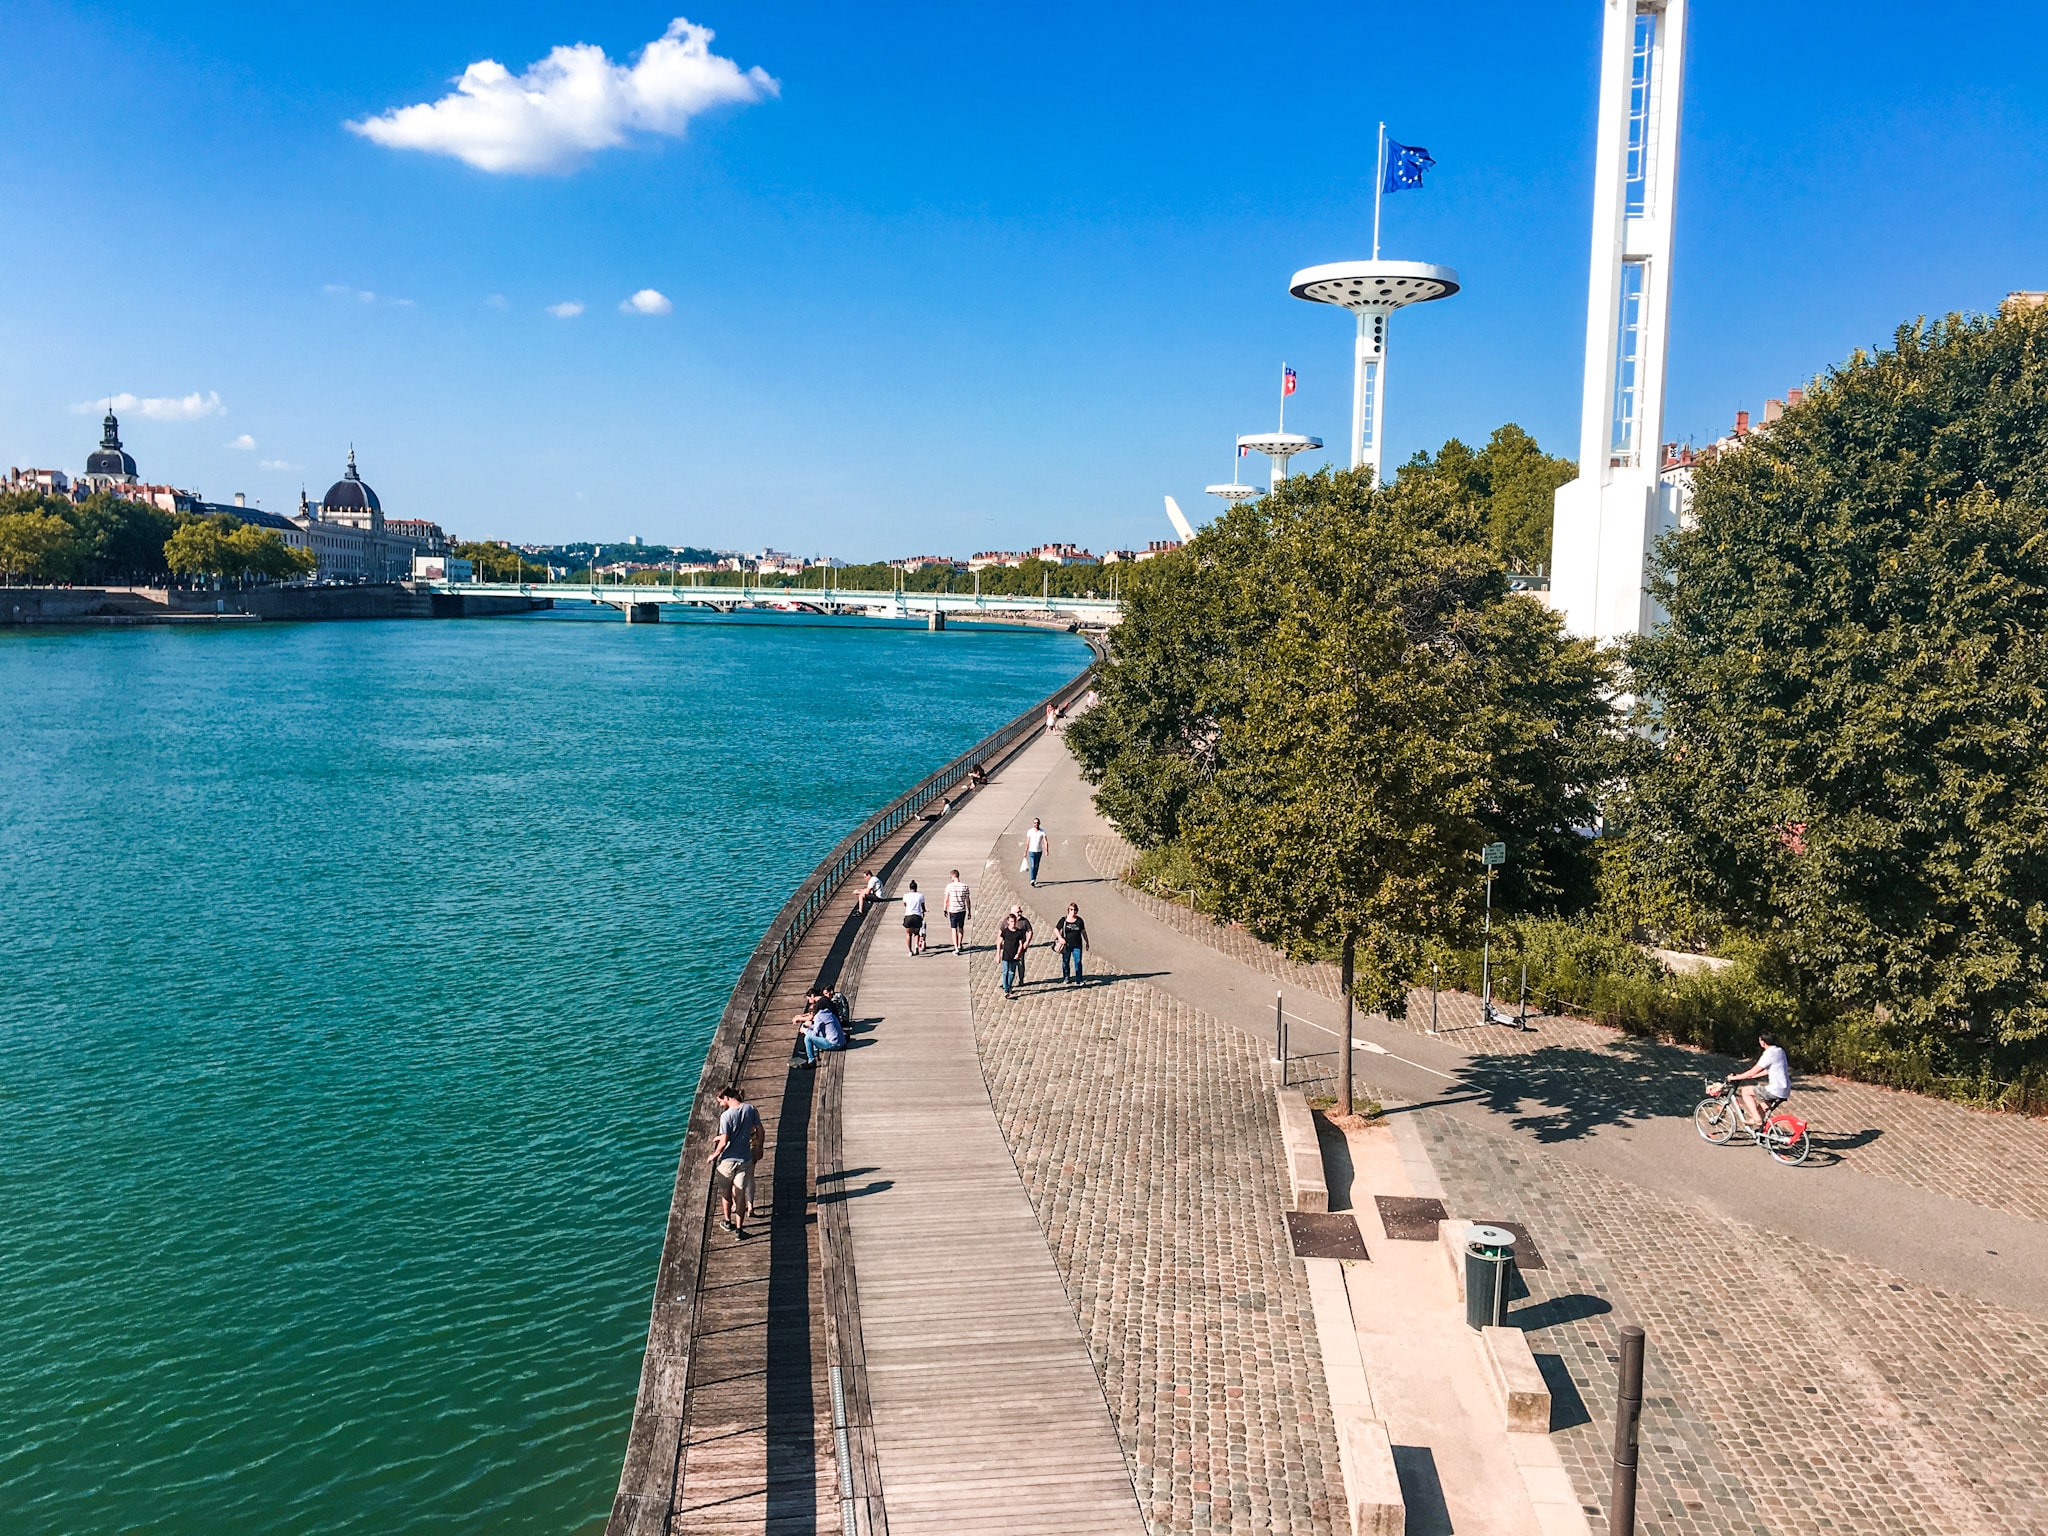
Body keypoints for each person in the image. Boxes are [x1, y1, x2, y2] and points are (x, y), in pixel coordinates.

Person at [708, 1084, 762, 1238]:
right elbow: (759, 1129)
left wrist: (714, 1154)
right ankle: (739, 1230)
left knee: (726, 1193)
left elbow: (725, 1140)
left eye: (720, 1101)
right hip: (744, 1159)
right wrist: (759, 1146)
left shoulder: (726, 1116)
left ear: (726, 1097)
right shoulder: (749, 1109)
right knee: (740, 1195)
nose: (720, 1104)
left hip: (727, 1161)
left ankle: (727, 1221)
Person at [1728, 1032, 1793, 1128]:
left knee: (1745, 1091)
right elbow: (1768, 1070)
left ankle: (1757, 1119)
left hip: (1775, 1089)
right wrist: (1752, 1076)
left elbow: (1752, 1071)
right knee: (1761, 1107)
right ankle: (1762, 1131)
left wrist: (1734, 1077)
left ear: (1763, 1042)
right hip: (1785, 1089)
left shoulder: (1769, 1053)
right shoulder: (1780, 1051)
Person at [794, 990, 847, 1067]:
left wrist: (805, 1030)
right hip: (842, 1042)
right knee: (814, 1033)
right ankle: (815, 1053)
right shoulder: (826, 1012)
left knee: (808, 1038)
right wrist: (810, 1027)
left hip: (834, 1044)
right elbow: (819, 1028)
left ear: (813, 1013)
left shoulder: (818, 1017)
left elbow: (814, 1034)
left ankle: (811, 1061)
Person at [997, 904, 1034, 996]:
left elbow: (1030, 931)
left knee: (1020, 965)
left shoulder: (1024, 921)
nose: (1020, 913)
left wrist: (1027, 942)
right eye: (1018, 912)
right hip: (1007, 951)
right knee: (1006, 970)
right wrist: (998, 951)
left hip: (1019, 949)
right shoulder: (1006, 922)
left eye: (1020, 911)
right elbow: (1000, 935)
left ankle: (1020, 979)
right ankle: (1007, 987)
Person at [1053, 902, 1087, 985]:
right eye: (1071, 909)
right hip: (1066, 945)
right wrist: (1060, 938)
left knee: (1078, 962)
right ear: (1068, 910)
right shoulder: (1064, 920)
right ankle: (1066, 977)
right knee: (1065, 961)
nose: (1073, 911)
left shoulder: (1079, 921)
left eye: (1075, 910)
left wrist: (1087, 942)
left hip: (1077, 945)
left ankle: (1079, 980)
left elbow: (1083, 932)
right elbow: (1056, 930)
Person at [943, 868, 973, 954]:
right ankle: (959, 944)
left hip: (952, 910)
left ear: (953, 876)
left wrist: (945, 909)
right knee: (961, 928)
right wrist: (969, 911)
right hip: (962, 910)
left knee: (953, 929)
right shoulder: (964, 886)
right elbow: (967, 900)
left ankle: (956, 947)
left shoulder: (949, 886)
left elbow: (946, 900)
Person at [901, 879, 927, 955]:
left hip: (908, 916)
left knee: (908, 934)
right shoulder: (920, 896)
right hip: (917, 916)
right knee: (916, 933)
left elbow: (905, 905)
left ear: (910, 888)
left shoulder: (905, 895)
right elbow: (923, 906)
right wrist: (924, 911)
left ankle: (910, 951)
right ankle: (916, 946)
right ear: (916, 888)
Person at [1024, 818, 1049, 886]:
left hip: (1039, 851)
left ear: (1039, 823)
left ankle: (1034, 878)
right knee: (1032, 865)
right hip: (1031, 851)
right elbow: (1027, 842)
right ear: (1033, 824)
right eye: (1035, 823)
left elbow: (1045, 841)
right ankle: (1032, 879)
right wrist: (1025, 851)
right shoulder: (1030, 831)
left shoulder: (1042, 831)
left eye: (1037, 823)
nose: (1036, 824)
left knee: (1036, 866)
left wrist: (1046, 850)